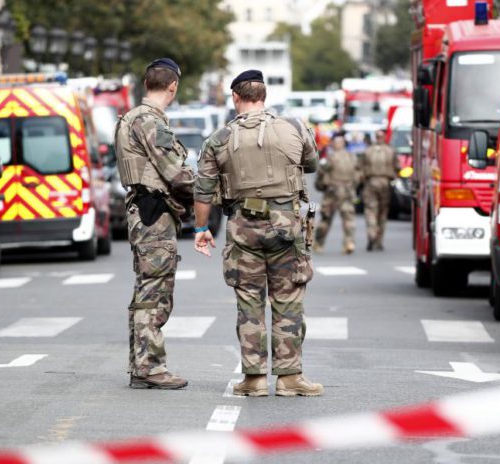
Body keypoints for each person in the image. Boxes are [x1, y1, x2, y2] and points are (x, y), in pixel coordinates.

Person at [193, 70, 323, 397]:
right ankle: (290, 378)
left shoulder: (219, 138)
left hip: (242, 228)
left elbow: (203, 190)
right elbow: (312, 163)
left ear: (235, 97)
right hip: (286, 225)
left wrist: (201, 228)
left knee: (249, 302)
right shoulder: (294, 127)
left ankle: (254, 379)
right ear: (264, 96)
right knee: (288, 299)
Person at [114, 58, 194, 390]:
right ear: (173, 87)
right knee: (155, 291)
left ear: (147, 83)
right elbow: (175, 173)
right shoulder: (150, 121)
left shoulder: (130, 118)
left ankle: (141, 366)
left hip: (142, 209)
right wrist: (209, 191)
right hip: (154, 211)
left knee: (145, 289)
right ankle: (150, 367)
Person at [313, 133, 359, 254]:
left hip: (332, 192)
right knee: (348, 218)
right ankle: (349, 242)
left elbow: (321, 174)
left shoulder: (330, 158)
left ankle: (318, 243)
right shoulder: (352, 157)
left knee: (325, 219)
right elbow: (358, 175)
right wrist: (352, 186)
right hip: (347, 191)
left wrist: (321, 186)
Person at [362, 129, 399, 251]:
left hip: (371, 182)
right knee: (383, 212)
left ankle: (372, 232)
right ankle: (379, 240)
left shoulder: (368, 151)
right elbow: (397, 167)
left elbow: (361, 168)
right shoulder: (390, 151)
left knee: (370, 210)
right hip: (385, 183)